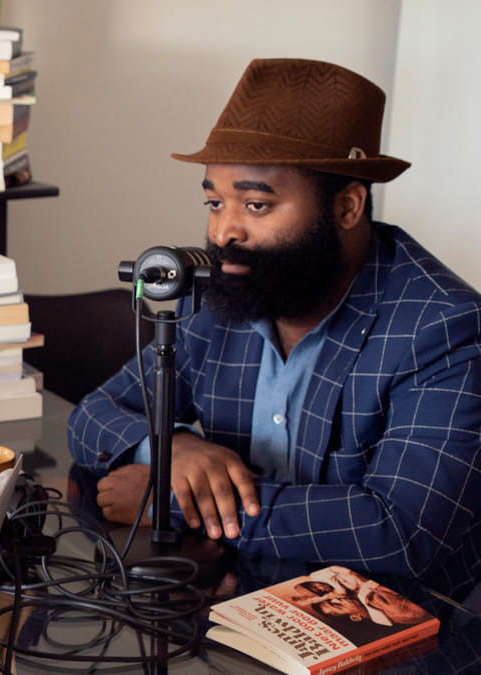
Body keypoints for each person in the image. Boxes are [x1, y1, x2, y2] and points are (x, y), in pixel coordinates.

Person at [68, 58, 481, 601]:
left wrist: (169, 498)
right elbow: (93, 414)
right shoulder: (227, 295)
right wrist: (174, 449)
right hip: (238, 595)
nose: (224, 231)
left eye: (256, 204)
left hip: (395, 622)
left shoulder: (443, 327)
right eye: (214, 202)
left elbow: (402, 530)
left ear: (347, 207)